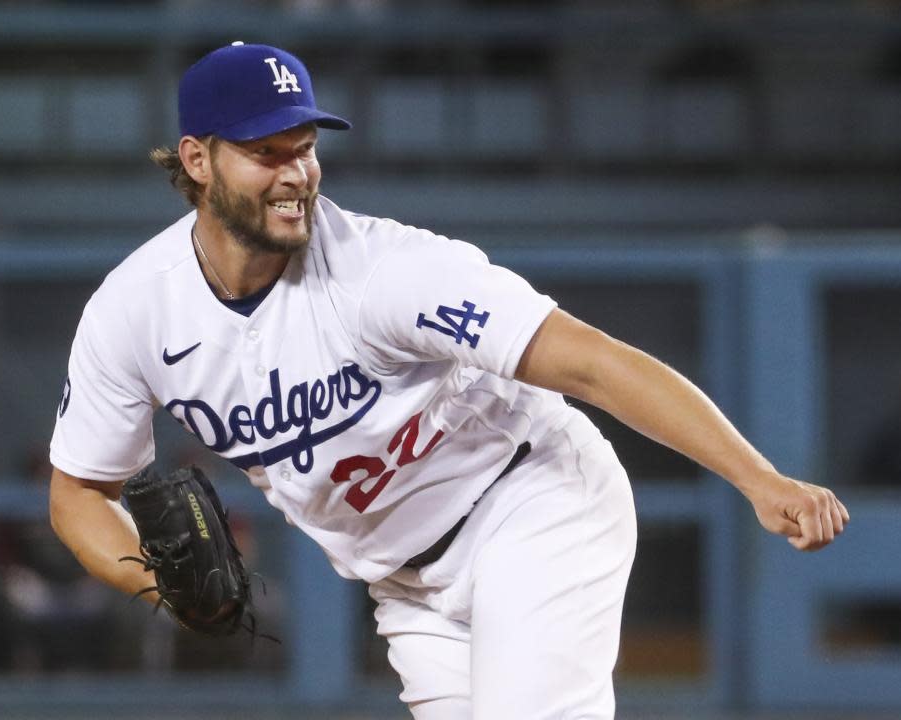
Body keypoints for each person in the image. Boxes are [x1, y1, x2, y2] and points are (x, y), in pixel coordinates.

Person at [48, 42, 849, 719]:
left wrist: (757, 477)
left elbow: (593, 363)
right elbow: (79, 492)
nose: (296, 173)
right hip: (406, 586)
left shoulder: (386, 274)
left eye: (306, 146)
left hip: (530, 505)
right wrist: (164, 591)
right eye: (267, 152)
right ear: (198, 159)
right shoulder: (134, 312)